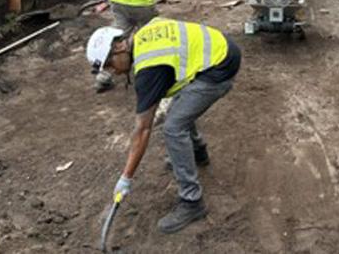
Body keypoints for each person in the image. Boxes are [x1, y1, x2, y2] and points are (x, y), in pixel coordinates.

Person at [86, 17, 241, 233]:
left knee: (173, 128)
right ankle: (198, 152)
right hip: (219, 49)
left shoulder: (148, 69)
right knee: (180, 108)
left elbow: (142, 129)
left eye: (110, 64)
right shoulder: (144, 33)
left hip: (219, 67)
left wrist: (126, 177)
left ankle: (192, 201)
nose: (112, 72)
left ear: (120, 46)